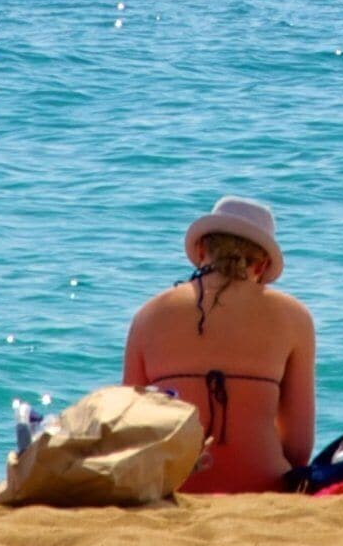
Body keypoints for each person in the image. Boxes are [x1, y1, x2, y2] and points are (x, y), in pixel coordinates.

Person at [121, 196, 317, 494]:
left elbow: (126, 427)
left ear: (201, 251)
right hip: (264, 486)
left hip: (173, 485)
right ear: (262, 265)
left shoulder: (148, 314)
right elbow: (299, 448)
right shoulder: (295, 317)